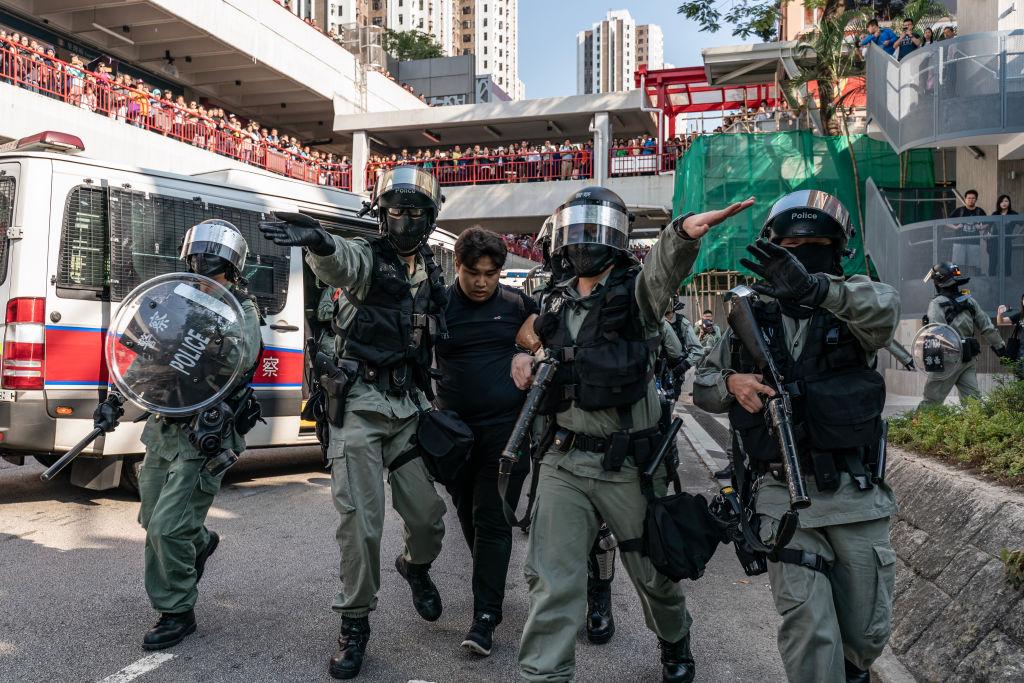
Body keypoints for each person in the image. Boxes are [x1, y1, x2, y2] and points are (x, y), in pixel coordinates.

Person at [513, 185, 754, 683]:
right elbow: (533, 340)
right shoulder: (554, 301)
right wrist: (523, 357)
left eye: (594, 230)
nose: (583, 241)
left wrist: (683, 233)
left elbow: (664, 269)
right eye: (576, 229)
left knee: (655, 579)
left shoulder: (636, 294)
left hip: (628, 468)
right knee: (552, 584)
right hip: (562, 461)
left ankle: (674, 640)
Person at [694, 190, 900, 683]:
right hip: (781, 496)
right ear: (772, 249)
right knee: (809, 630)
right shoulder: (750, 315)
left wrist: (816, 290)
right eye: (789, 243)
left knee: (867, 633)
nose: (802, 250)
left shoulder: (857, 302)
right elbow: (702, 381)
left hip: (854, 497)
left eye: (816, 242)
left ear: (837, 249)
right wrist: (729, 383)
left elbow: (886, 310)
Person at [259, 166, 448, 680]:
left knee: (429, 519)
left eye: (414, 211)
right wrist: (320, 240)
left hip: (407, 408)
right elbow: (339, 262)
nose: (402, 220)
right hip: (360, 406)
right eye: (394, 210)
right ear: (380, 213)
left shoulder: (432, 270)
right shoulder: (368, 257)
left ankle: (415, 567)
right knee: (362, 525)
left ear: (429, 218)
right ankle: (355, 623)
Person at [95, 219, 261, 650]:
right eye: (197, 262)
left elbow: (239, 361)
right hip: (164, 427)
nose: (203, 272)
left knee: (168, 528)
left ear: (231, 268)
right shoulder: (175, 299)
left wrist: (200, 339)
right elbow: (146, 355)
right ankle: (201, 541)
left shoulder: (240, 312)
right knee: (152, 520)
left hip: (203, 435)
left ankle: (176, 611)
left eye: (213, 265)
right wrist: (117, 399)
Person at [430, 227, 539, 656]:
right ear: (457, 266)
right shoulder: (437, 305)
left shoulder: (517, 305)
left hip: (506, 433)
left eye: (491, 274)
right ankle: (489, 587)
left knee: (493, 519)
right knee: (470, 519)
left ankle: (485, 619)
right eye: (473, 272)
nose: (481, 282)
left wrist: (530, 349)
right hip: (454, 435)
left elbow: (550, 325)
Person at [920, 262, 1008, 407]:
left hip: (947, 362)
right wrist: (1001, 348)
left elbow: (937, 333)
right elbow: (987, 327)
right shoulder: (969, 301)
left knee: (931, 402)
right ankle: (976, 429)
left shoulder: (937, 304)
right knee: (973, 404)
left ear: (938, 283)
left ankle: (918, 429)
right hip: (967, 359)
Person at [997, 293, 1024, 377]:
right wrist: (1000, 313)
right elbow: (1000, 322)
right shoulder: (1020, 316)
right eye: (1023, 299)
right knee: (1021, 380)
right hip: (1021, 353)